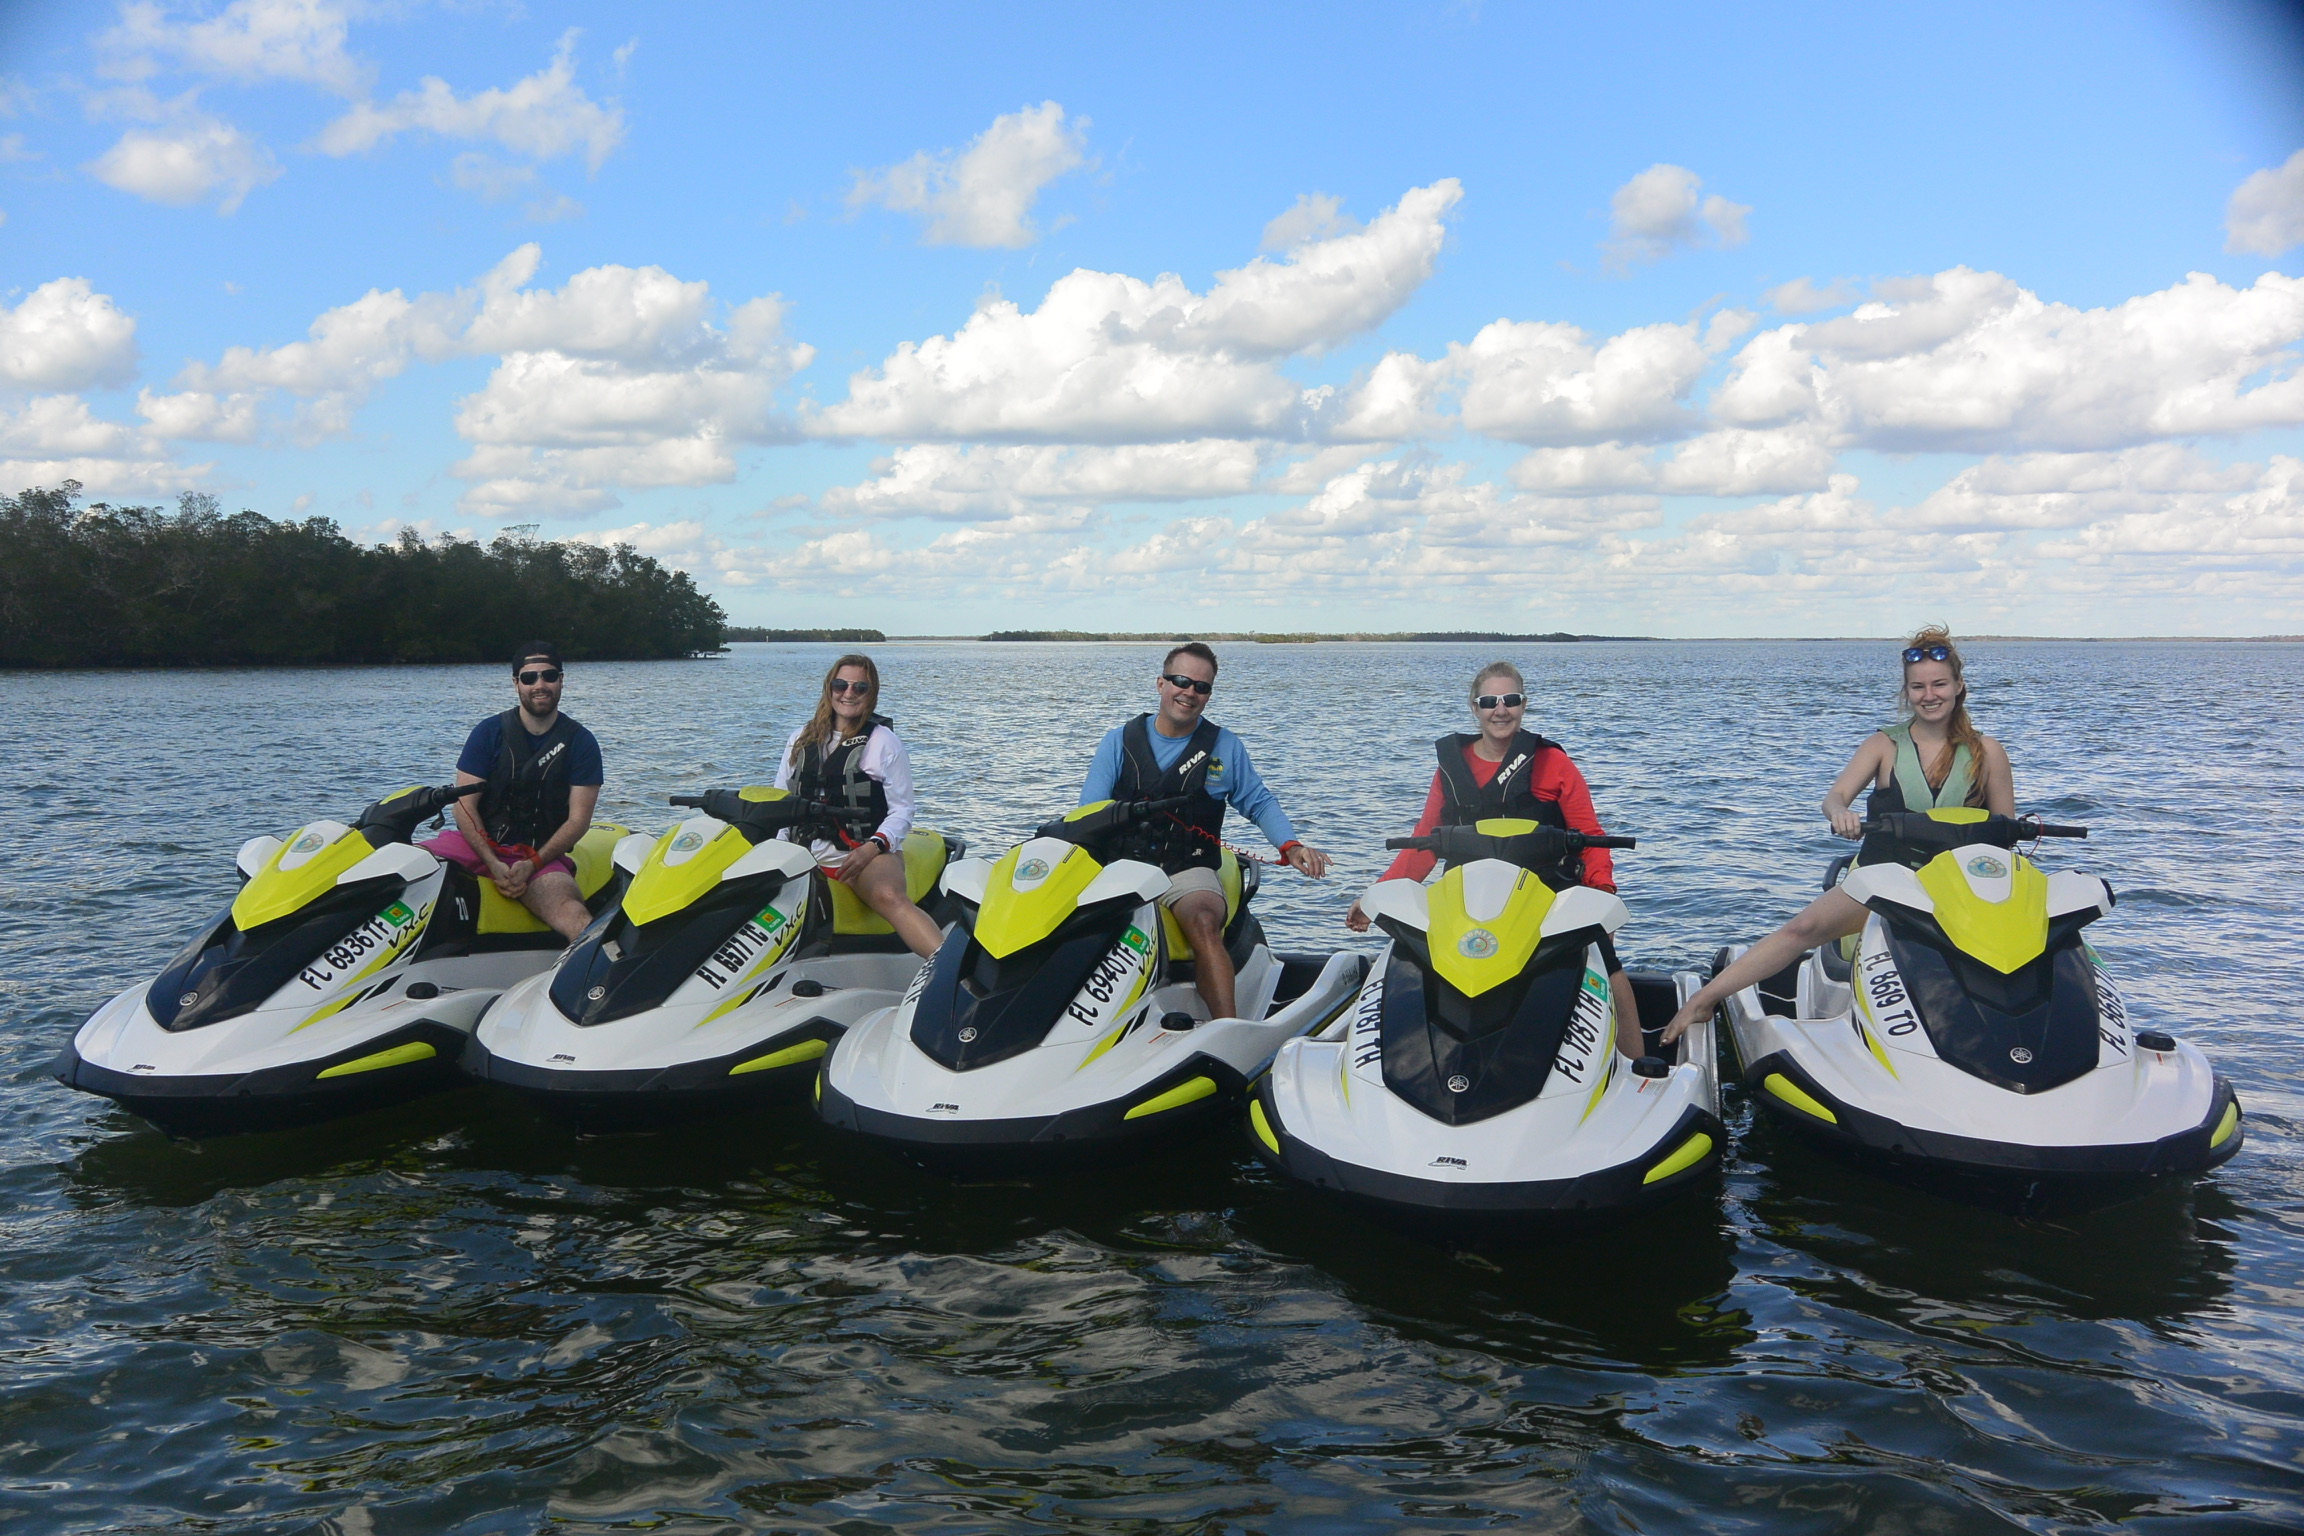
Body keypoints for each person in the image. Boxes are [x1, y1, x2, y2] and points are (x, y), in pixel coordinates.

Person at [1661, 625, 2015, 1043]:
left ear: (1958, 686)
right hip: (1886, 880)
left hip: (1957, 888)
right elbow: (1835, 797)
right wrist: (1840, 813)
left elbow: (2005, 836)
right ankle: (1702, 1002)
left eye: (1939, 684)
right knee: (1802, 929)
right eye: (1918, 687)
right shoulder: (1883, 745)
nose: (1929, 695)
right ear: (1907, 693)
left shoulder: (1986, 751)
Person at [1346, 661, 1646, 1058]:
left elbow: (1590, 835)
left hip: (1545, 892)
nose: (1500, 710)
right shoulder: (1450, 770)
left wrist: (1602, 897)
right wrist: (1376, 895)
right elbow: (1424, 843)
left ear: (1524, 705)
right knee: (1411, 951)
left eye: (1510, 700)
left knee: (1603, 957)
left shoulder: (1554, 763)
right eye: (1489, 701)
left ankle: (1637, 1061)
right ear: (1474, 708)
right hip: (1466, 894)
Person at [1080, 642, 1332, 1019]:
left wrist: (1291, 846)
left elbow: (1259, 801)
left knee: (1202, 920)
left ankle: (1227, 1028)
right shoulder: (1118, 742)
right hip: (1121, 867)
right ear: (1161, 683)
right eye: (1181, 681)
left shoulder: (1224, 747)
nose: (1190, 692)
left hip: (1185, 869)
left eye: (1202, 687)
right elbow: (1088, 814)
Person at [429, 641, 604, 941]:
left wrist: (532, 865)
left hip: (538, 856)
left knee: (573, 915)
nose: (540, 684)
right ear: (516, 683)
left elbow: (578, 820)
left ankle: (603, 975)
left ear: (561, 679)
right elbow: (463, 806)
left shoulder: (582, 742)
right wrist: (493, 864)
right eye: (529, 677)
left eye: (549, 676)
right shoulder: (488, 732)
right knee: (402, 864)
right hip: (478, 846)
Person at [774, 654, 943, 959]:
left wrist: (872, 848)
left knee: (889, 896)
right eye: (841, 684)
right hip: (804, 849)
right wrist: (779, 853)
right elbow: (780, 800)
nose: (848, 693)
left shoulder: (884, 742)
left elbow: (903, 810)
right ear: (830, 688)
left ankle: (947, 970)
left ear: (871, 694)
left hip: (862, 851)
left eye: (859, 688)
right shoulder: (800, 738)